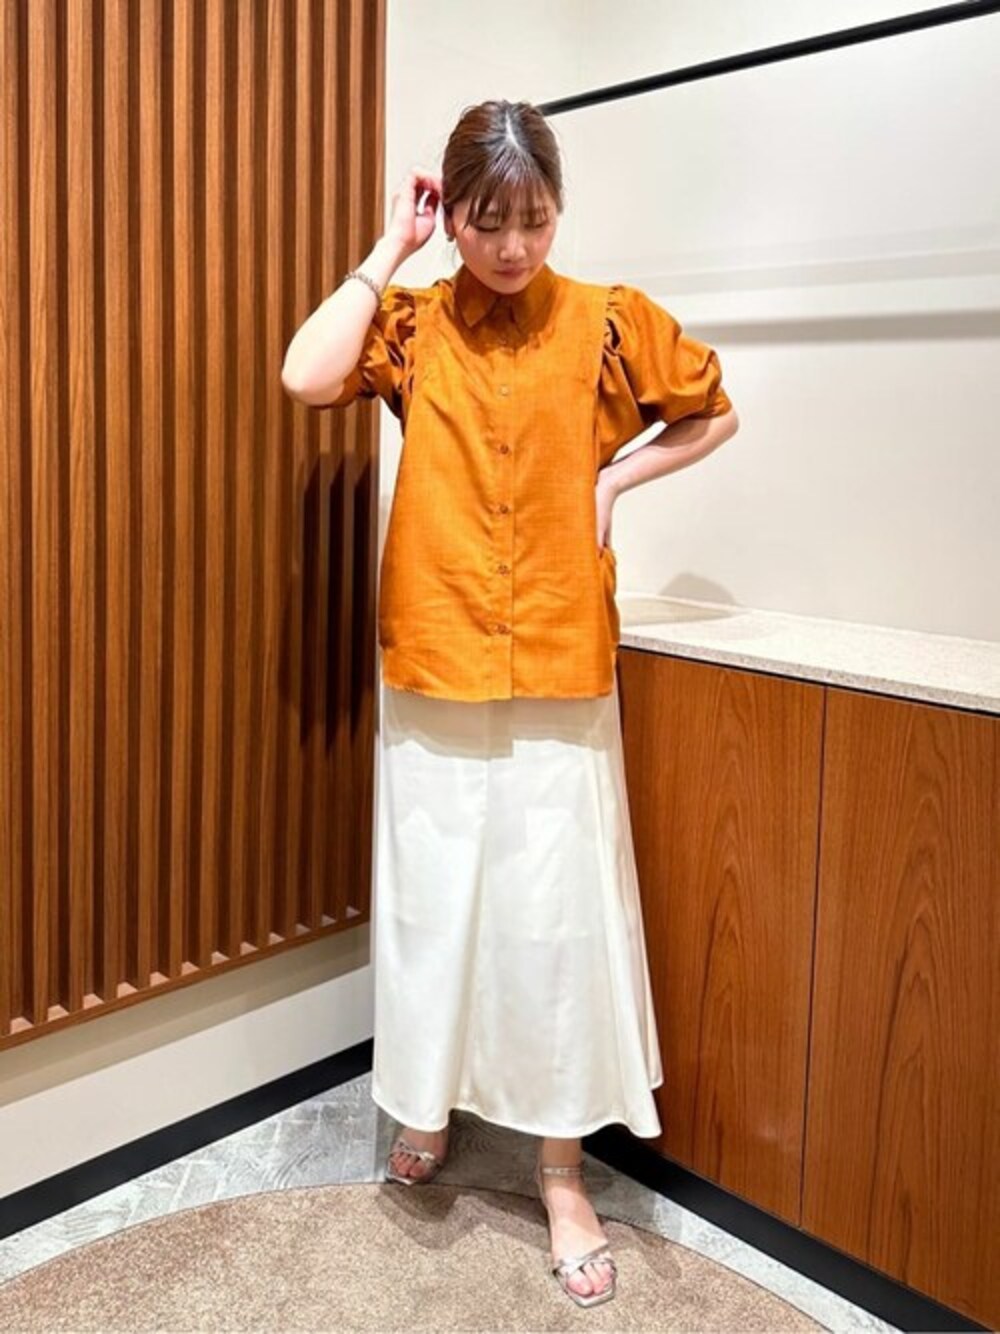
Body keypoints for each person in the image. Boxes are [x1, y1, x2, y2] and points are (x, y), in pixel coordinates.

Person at [282, 98, 738, 1309]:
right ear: (455, 217)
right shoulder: (416, 325)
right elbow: (303, 372)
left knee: (553, 925)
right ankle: (426, 1102)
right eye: (487, 222)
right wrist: (390, 246)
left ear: (557, 212)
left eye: (533, 220)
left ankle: (560, 1169)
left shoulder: (605, 320)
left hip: (557, 661)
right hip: (433, 656)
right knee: (436, 906)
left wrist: (612, 480)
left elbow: (713, 409)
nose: (512, 247)